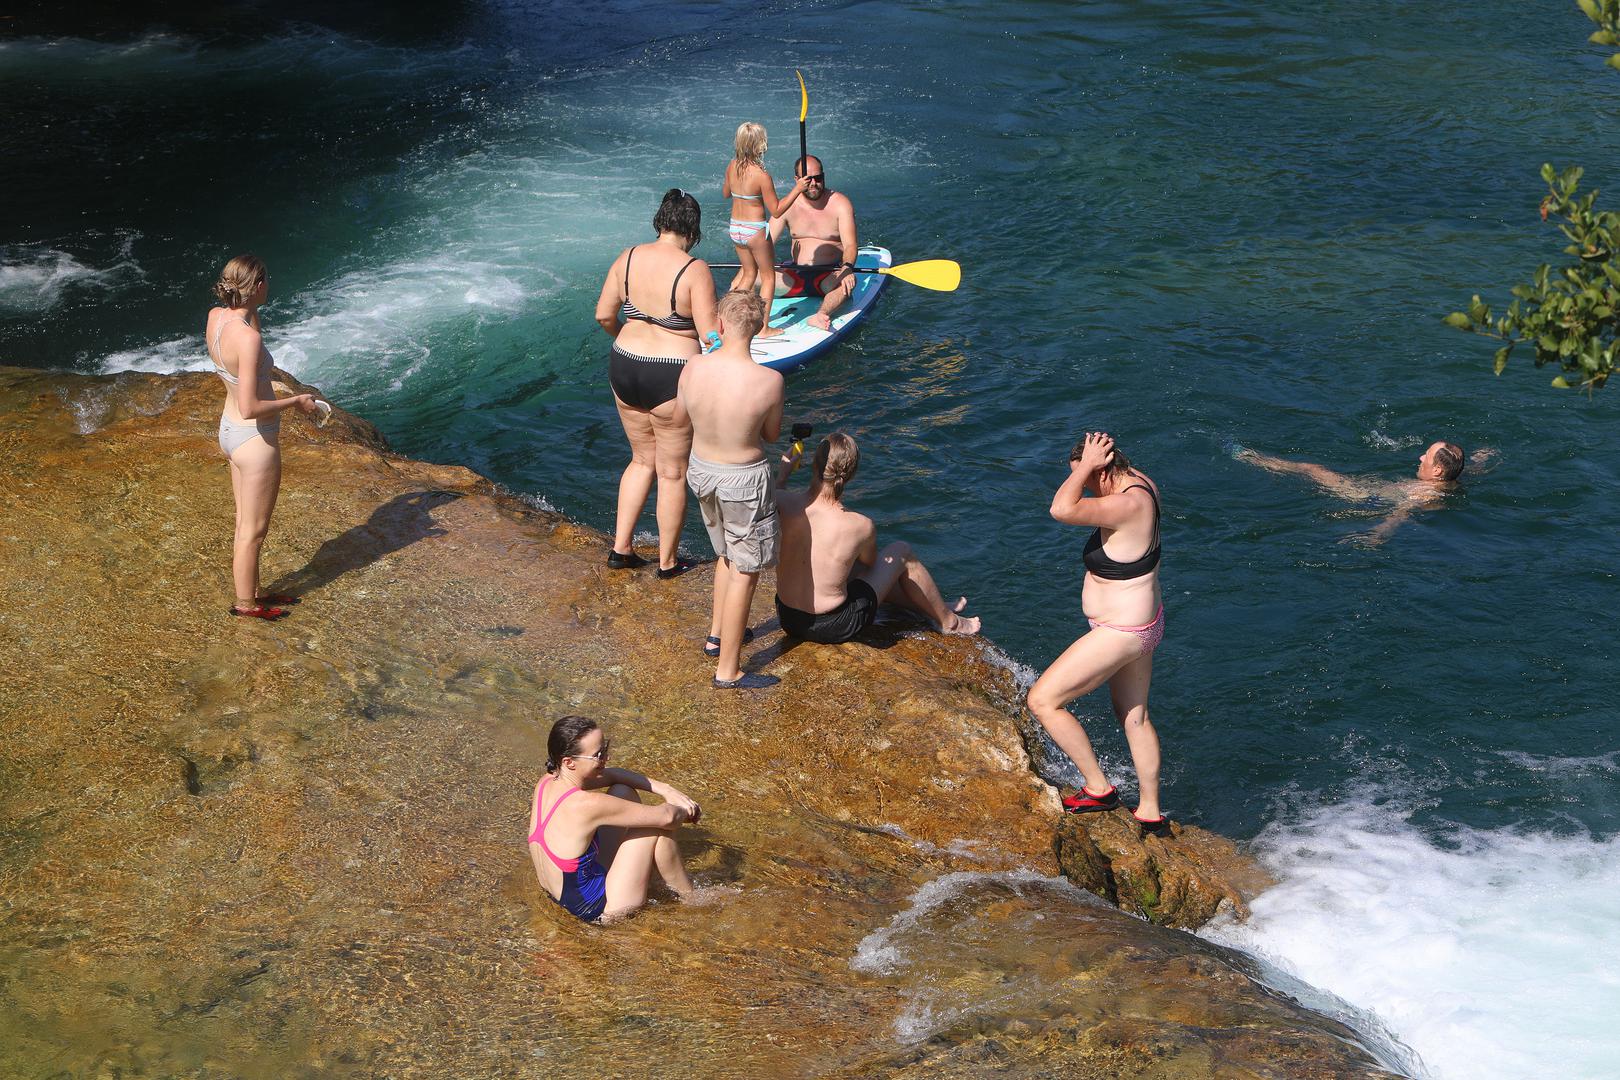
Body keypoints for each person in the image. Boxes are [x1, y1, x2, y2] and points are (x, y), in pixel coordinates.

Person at [1026, 432, 1169, 835]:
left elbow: (1060, 509)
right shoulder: (1140, 482)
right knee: (1134, 716)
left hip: (1122, 631)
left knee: (1043, 701)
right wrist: (1091, 463)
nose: (1086, 487)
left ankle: (1098, 788)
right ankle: (1150, 812)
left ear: (1104, 470)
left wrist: (1086, 465)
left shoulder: (1126, 503)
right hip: (1143, 623)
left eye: (1089, 479)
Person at [594, 189, 718, 578]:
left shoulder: (627, 257)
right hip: (671, 372)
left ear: (659, 221)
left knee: (640, 459)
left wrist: (626, 338)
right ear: (693, 230)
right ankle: (667, 563)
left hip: (624, 364)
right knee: (671, 472)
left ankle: (621, 548)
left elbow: (603, 315)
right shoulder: (694, 269)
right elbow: (711, 335)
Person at [774, 431, 980, 645]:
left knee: (843, 564)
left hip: (788, 618)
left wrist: (782, 476)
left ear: (814, 465)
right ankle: (949, 622)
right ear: (850, 474)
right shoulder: (860, 525)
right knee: (901, 552)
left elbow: (776, 498)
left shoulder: (780, 501)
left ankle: (931, 605)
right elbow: (870, 565)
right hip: (834, 625)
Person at [677, 290, 785, 690]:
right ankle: (728, 669)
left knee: (725, 553)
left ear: (719, 325)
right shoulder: (770, 380)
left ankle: (717, 634)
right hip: (743, 477)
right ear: (757, 331)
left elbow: (683, 410)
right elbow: (771, 434)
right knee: (746, 568)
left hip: (700, 469)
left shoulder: (692, 366)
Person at [206, 254, 320, 620]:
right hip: (254, 439)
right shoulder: (249, 338)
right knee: (252, 531)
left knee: (245, 523)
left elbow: (244, 357)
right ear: (257, 286)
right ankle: (247, 605)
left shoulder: (217, 318)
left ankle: (254, 591)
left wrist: (252, 310)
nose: (270, 285)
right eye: (265, 280)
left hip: (228, 430)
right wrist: (298, 401)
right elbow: (252, 405)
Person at [527, 715, 699, 924]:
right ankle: (692, 903)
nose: (606, 758)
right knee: (658, 830)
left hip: (563, 896)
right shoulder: (586, 805)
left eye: (605, 748)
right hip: (599, 911)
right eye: (598, 755)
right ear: (569, 762)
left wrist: (666, 789)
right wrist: (685, 809)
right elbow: (667, 817)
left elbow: (614, 775)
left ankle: (653, 879)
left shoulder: (546, 782)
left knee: (622, 791)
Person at [1235, 440, 1486, 546]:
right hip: (1381, 494)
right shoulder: (1453, 480)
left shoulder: (1424, 494)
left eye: (1427, 457)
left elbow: (1401, 513)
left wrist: (1378, 533)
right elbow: (1465, 468)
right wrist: (1483, 458)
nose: (1420, 457)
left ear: (1438, 470)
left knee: (1312, 469)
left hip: (1365, 497)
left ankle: (1252, 458)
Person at [721, 122, 806, 338]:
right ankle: (764, 328)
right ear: (760, 145)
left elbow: (725, 194)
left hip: (735, 227)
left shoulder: (731, 166)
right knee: (767, 277)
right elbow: (776, 211)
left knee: (748, 274)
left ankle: (726, 319)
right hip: (755, 229)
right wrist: (797, 189)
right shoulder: (761, 175)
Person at [771, 155, 857, 331]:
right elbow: (766, 242)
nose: (814, 183)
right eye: (808, 179)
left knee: (846, 283)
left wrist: (847, 267)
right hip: (793, 277)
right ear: (797, 180)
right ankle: (724, 313)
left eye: (818, 178)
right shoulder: (787, 205)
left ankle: (821, 315)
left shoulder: (840, 203)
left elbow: (850, 245)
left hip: (828, 277)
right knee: (748, 275)